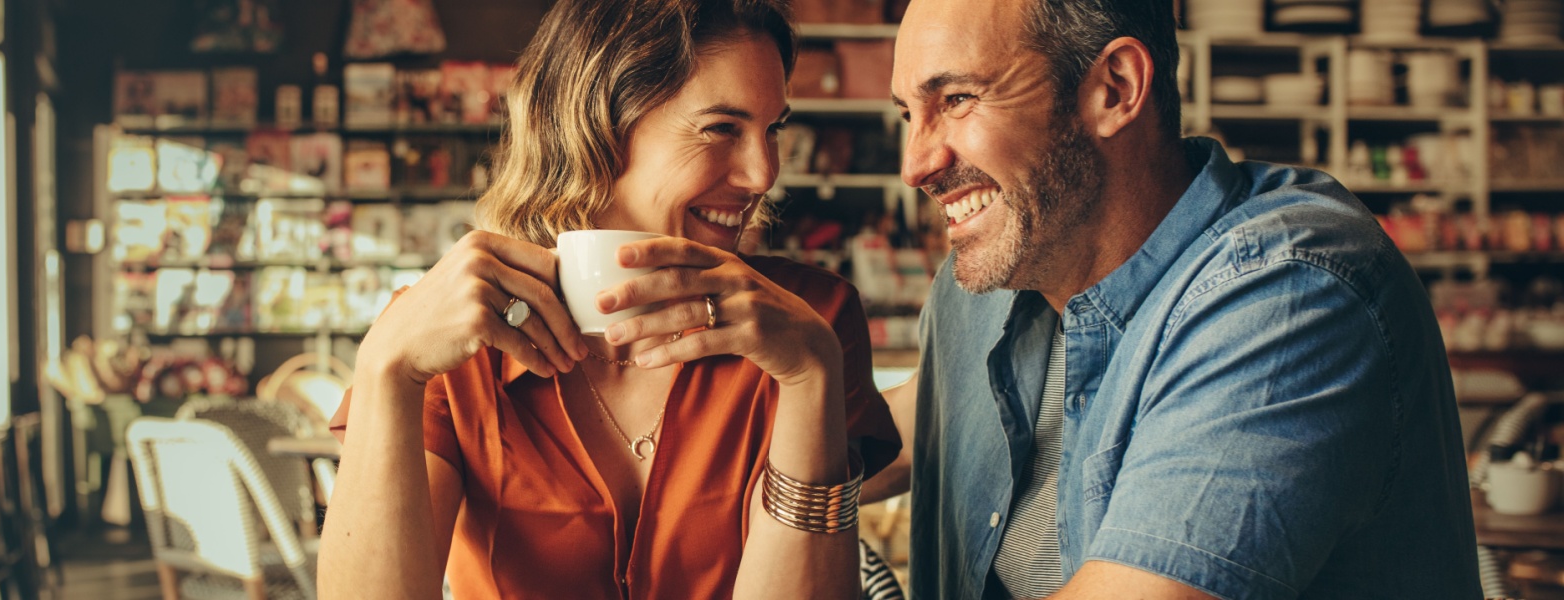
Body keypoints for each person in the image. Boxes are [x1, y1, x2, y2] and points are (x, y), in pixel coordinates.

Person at [879, 0, 1483, 597]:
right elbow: (916, 428)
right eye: (909, 114)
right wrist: (807, 369)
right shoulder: (997, 277)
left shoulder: (1286, 295)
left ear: (1115, 89)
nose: (916, 165)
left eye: (956, 100)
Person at [316, 0, 900, 598]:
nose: (763, 172)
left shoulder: (809, 323)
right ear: (597, 126)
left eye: (772, 130)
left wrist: (811, 377)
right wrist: (385, 368)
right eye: (722, 128)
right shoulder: (453, 334)